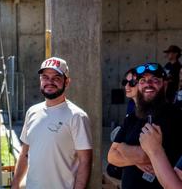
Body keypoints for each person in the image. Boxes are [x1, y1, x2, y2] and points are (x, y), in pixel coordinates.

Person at [11, 57, 92, 189]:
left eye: (56, 78)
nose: (50, 82)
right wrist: (15, 185)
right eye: (45, 77)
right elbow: (25, 153)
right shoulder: (32, 112)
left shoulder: (77, 116)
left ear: (67, 82)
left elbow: (85, 161)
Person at [108, 63, 182, 189]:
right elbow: (111, 156)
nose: (148, 84)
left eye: (155, 80)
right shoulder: (132, 118)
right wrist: (138, 159)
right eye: (143, 80)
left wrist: (124, 149)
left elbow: (147, 154)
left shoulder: (177, 117)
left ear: (164, 84)